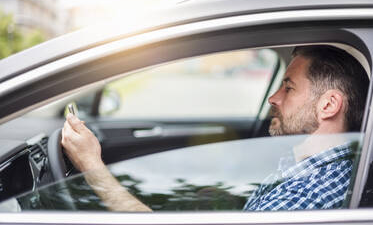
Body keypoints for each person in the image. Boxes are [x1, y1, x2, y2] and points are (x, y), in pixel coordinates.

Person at [61, 45, 369, 212]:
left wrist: (92, 167)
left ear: (328, 105)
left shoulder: (305, 196)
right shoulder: (308, 169)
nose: (274, 98)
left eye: (288, 88)